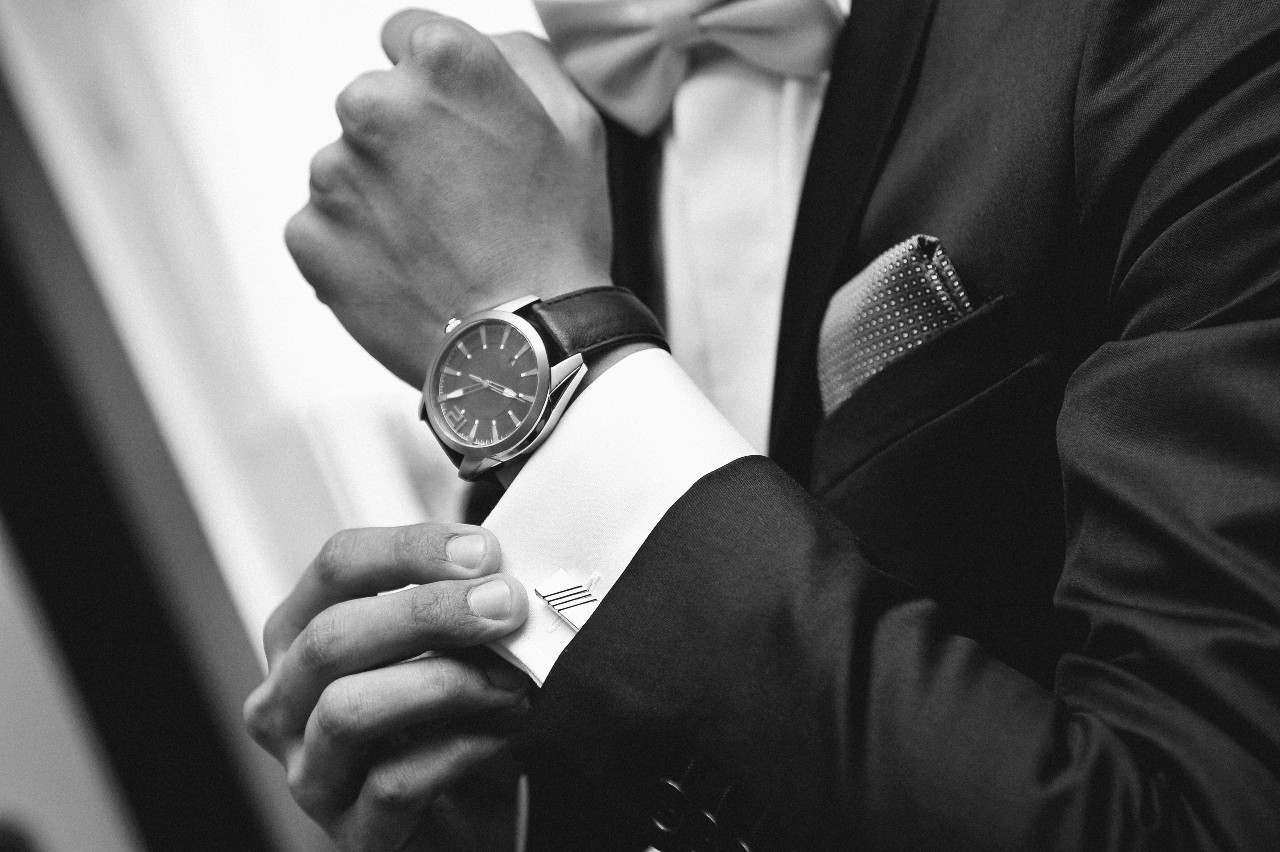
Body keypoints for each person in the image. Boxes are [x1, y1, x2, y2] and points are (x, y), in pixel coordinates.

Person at [244, 1, 1280, 850]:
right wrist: (507, 810)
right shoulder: (539, 156)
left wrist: (546, 338)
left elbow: (1197, 819)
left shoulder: (1187, 36)